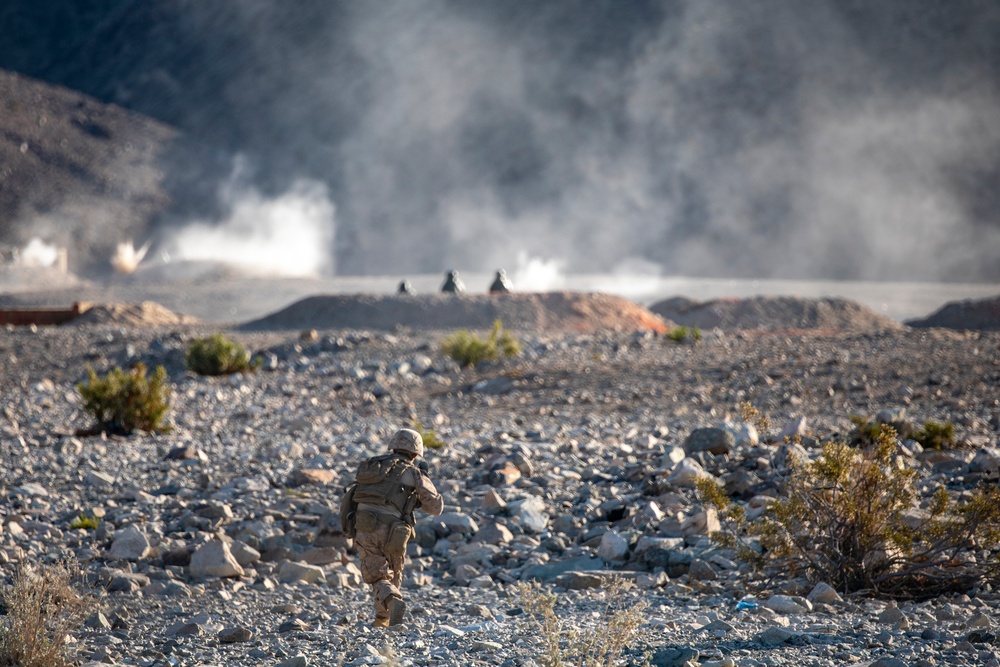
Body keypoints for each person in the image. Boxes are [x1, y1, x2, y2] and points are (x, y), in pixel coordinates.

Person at [344, 428, 443, 627]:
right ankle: (387, 613)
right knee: (393, 573)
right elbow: (435, 508)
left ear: (393, 447)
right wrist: (423, 480)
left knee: (377, 574)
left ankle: (383, 616)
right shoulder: (413, 472)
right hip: (393, 530)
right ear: (415, 454)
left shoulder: (373, 466)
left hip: (363, 525)